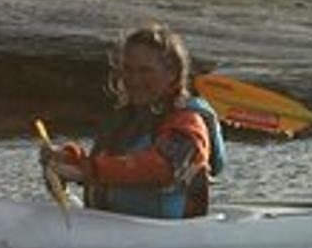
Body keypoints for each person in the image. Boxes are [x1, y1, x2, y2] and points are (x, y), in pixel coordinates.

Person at [46, 22, 226, 218]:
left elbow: (164, 168)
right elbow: (109, 165)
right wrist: (68, 161)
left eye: (145, 71)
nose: (134, 79)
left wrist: (87, 171)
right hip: (117, 228)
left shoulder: (188, 122)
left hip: (169, 235)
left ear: (171, 74)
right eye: (128, 70)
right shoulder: (124, 121)